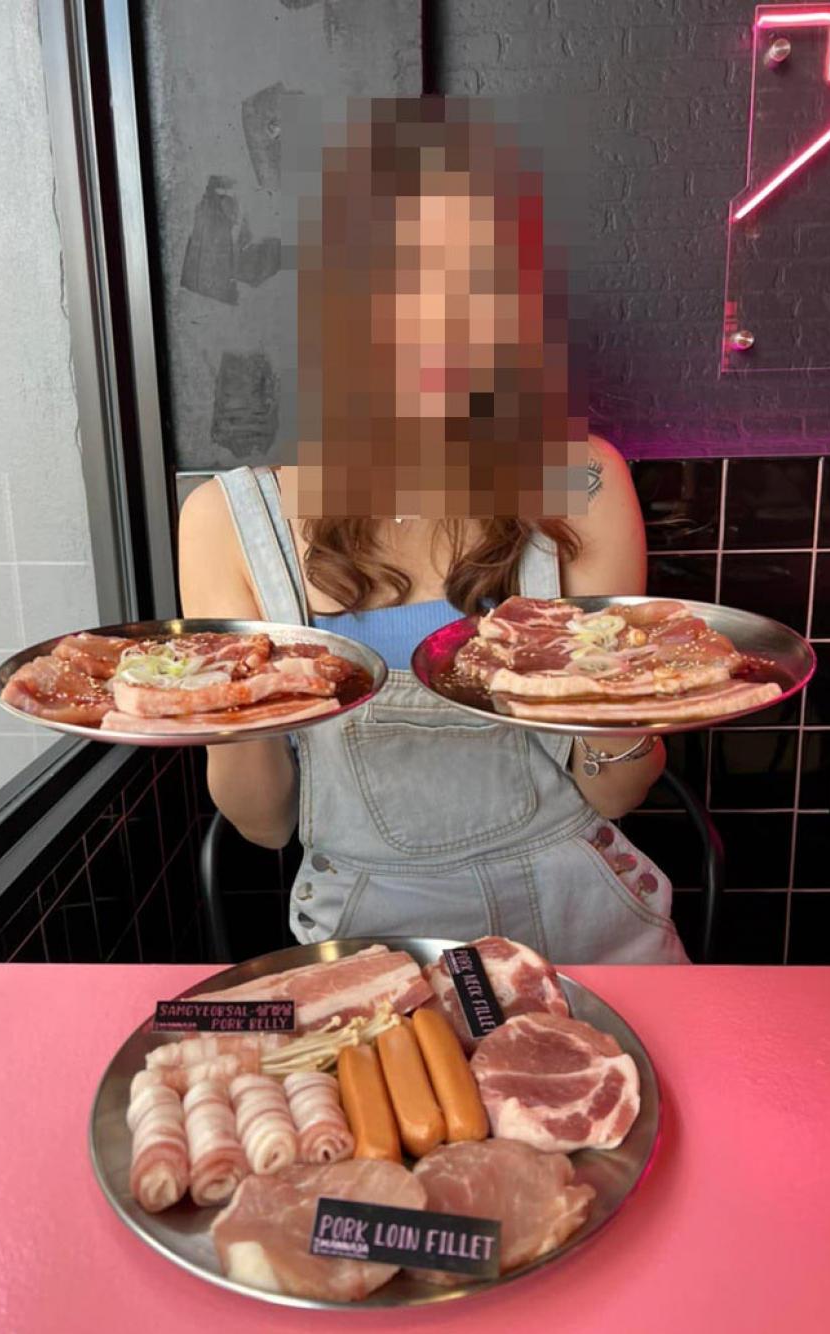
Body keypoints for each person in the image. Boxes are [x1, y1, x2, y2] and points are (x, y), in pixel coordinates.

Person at [179, 98, 689, 964]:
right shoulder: (231, 521)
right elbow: (264, 823)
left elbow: (616, 794)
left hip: (590, 925)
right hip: (372, 946)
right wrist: (228, 703)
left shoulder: (579, 480)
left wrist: (622, 697)